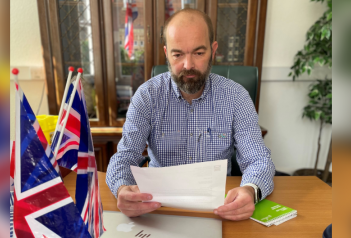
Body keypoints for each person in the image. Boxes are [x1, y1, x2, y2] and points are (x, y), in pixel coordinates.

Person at [106, 8, 275, 221]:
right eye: (178, 54)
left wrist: (250, 190)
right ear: (167, 53)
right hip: (160, 209)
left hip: (220, 209)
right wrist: (122, 189)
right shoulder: (147, 96)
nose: (188, 65)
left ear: (213, 50)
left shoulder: (236, 97)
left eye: (198, 53)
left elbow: (259, 159)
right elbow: (124, 156)